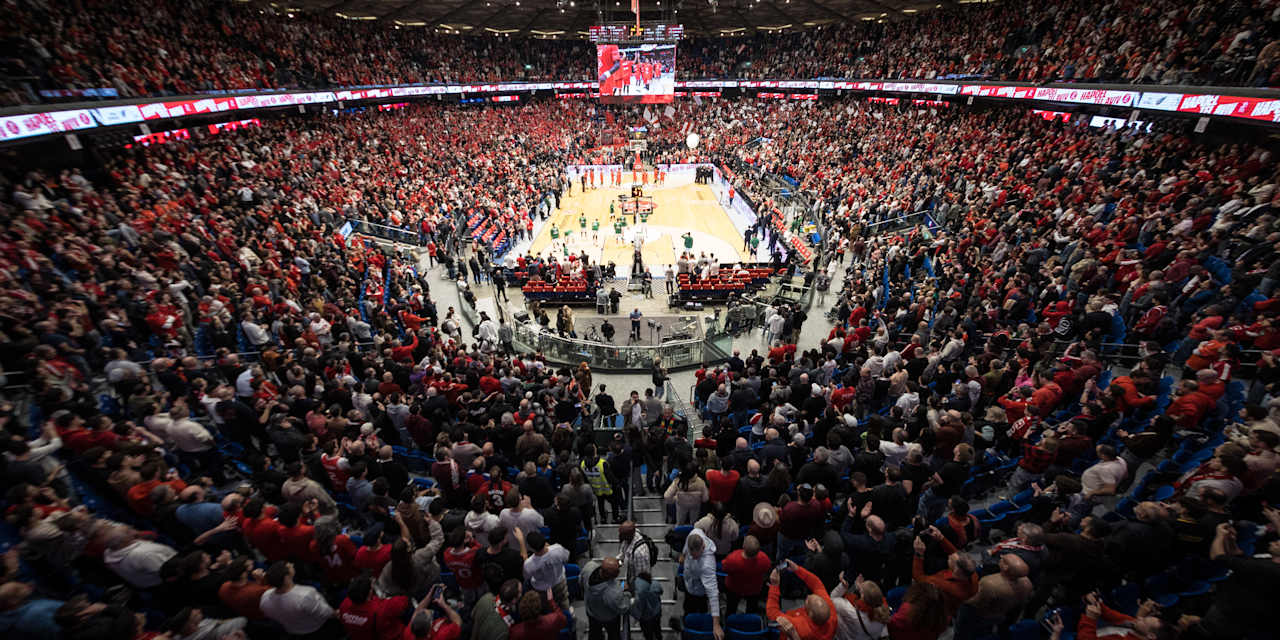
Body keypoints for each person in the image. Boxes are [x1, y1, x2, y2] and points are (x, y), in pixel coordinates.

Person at [258, 561, 339, 637]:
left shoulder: (265, 599)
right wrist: (335, 614)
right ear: (286, 578)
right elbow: (324, 612)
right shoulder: (305, 595)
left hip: (293, 632)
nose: (292, 565)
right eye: (289, 566)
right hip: (317, 628)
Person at [766, 560, 838, 640]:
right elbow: (817, 584)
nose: (808, 596)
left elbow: (772, 612)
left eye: (808, 601)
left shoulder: (800, 627)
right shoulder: (831, 614)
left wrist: (774, 585)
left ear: (810, 614)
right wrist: (798, 569)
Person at [680, 527, 723, 640]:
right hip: (688, 584)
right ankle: (687, 627)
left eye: (695, 556)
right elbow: (685, 549)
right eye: (691, 554)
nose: (693, 557)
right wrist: (683, 555)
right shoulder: (694, 533)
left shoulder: (707, 565)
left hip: (699, 591)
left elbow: (713, 594)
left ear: (703, 547)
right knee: (687, 608)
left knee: (701, 610)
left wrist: (716, 624)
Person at [523, 530, 571, 613]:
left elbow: (526, 577)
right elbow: (566, 557)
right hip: (560, 583)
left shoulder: (528, 564)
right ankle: (568, 618)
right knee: (564, 601)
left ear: (531, 548)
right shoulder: (557, 548)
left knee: (548, 608)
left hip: (542, 590)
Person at [584, 556, 632, 640]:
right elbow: (623, 607)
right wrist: (626, 592)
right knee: (614, 636)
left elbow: (580, 582)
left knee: (594, 634)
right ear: (615, 574)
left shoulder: (589, 568)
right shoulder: (612, 593)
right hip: (609, 618)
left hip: (592, 612)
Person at [722, 535, 771, 615]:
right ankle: (749, 623)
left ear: (743, 546)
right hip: (754, 589)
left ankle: (729, 623)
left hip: (734, 588)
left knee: (731, 608)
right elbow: (767, 572)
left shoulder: (733, 559)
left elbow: (725, 568)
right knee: (752, 609)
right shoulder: (764, 559)